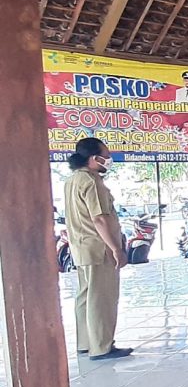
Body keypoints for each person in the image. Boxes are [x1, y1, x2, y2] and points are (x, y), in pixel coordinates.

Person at [63, 138, 132, 360]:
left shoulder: (72, 180)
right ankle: (102, 347)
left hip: (81, 247)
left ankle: (85, 343)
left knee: (85, 296)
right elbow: (100, 218)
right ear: (94, 158)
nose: (109, 160)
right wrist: (116, 248)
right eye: (106, 155)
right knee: (101, 297)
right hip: (98, 248)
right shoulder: (92, 182)